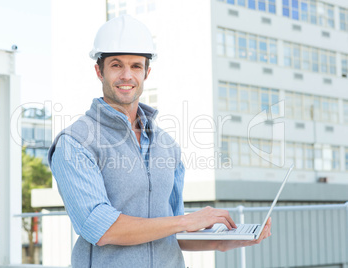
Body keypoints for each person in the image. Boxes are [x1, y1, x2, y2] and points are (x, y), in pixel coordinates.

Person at [48, 15, 272, 268]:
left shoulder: (166, 144)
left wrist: (225, 241)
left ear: (147, 72)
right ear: (99, 71)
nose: (126, 75)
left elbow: (172, 230)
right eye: (116, 65)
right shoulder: (75, 142)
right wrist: (187, 221)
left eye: (135, 66)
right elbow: (101, 228)